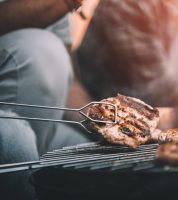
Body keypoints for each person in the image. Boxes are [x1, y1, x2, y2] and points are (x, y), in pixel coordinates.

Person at [0, 0, 99, 199]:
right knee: (41, 49)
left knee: (92, 164)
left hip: (41, 123)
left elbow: (63, 79)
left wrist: (103, 119)